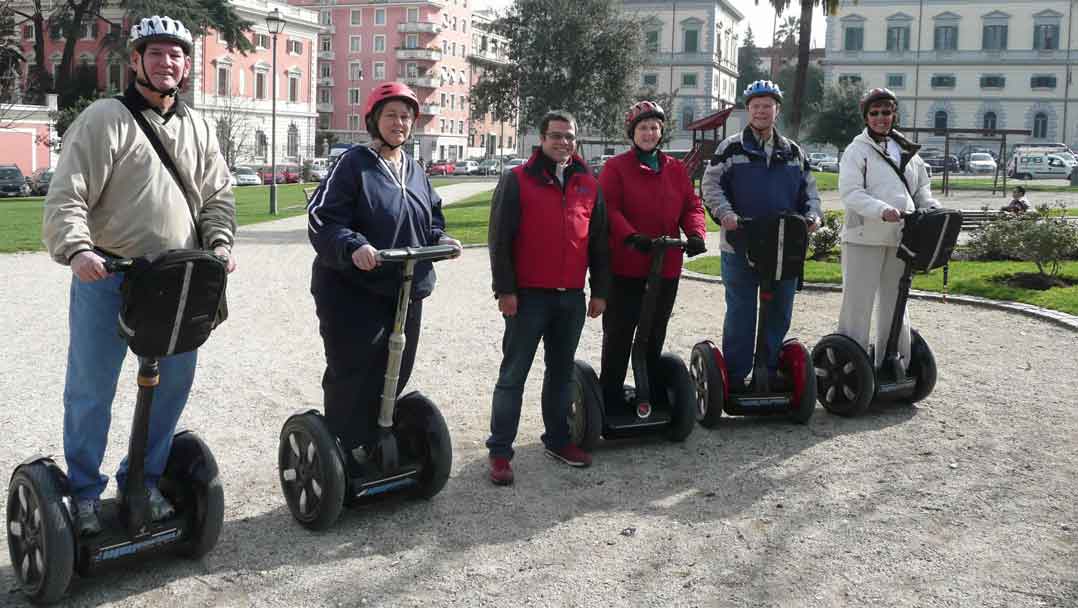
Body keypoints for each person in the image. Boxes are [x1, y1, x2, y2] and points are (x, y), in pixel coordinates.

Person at [41, 15, 237, 536]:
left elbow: (218, 196)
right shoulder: (106, 118)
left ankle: (144, 482)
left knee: (170, 387)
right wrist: (78, 250)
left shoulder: (197, 126)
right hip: (109, 276)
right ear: (135, 60)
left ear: (187, 65)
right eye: (155, 53)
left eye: (176, 54)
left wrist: (219, 242)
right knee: (91, 388)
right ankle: (84, 493)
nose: (166, 62)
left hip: (177, 281)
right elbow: (68, 194)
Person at [307, 82, 461, 473]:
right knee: (354, 370)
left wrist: (440, 239)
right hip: (352, 288)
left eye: (406, 116)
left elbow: (430, 218)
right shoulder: (353, 163)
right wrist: (351, 245)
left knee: (398, 364)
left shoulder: (414, 169)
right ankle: (347, 447)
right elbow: (322, 217)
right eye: (391, 115)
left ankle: (382, 435)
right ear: (374, 119)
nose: (400, 122)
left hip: (405, 285)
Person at [486, 109, 610, 485]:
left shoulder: (588, 183)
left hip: (570, 299)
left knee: (560, 375)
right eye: (556, 136)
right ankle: (500, 452)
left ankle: (558, 439)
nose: (563, 143)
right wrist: (504, 290)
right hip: (527, 299)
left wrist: (600, 291)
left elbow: (599, 242)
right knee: (513, 375)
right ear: (541, 139)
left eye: (569, 137)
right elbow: (499, 240)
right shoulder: (517, 180)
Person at [701, 80, 822, 392]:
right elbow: (711, 186)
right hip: (741, 243)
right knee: (741, 311)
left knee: (780, 309)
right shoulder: (731, 148)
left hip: (783, 246)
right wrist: (725, 214)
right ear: (748, 110)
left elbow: (810, 191)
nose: (761, 111)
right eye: (755, 106)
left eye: (767, 106)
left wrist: (813, 216)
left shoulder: (793, 152)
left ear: (776, 110)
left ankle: (767, 370)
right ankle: (738, 377)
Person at [598, 100, 707, 413]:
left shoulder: (675, 169)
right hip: (628, 265)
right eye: (643, 128)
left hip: (666, 266)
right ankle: (611, 396)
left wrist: (696, 233)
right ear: (632, 132)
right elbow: (609, 208)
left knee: (654, 331)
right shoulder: (616, 168)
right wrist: (631, 236)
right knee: (620, 333)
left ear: (661, 132)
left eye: (654, 128)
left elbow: (691, 206)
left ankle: (653, 392)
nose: (648, 133)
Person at [836, 87, 939, 369]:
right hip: (862, 237)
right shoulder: (857, 151)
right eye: (875, 113)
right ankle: (851, 367)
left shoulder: (908, 152)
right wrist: (882, 210)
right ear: (867, 117)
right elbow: (851, 193)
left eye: (886, 112)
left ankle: (896, 364)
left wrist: (931, 209)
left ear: (894, 114)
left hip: (900, 238)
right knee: (858, 304)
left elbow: (922, 191)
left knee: (897, 304)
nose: (881, 118)